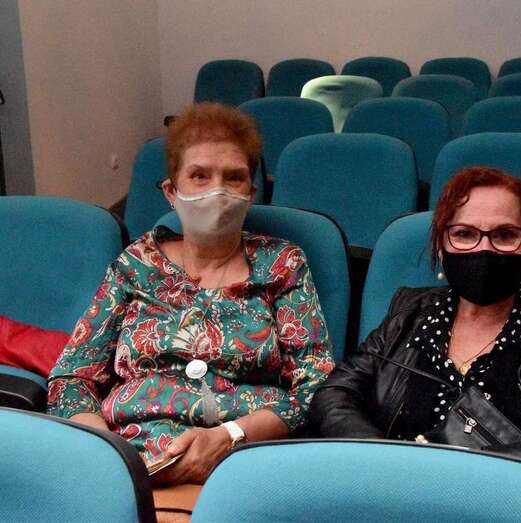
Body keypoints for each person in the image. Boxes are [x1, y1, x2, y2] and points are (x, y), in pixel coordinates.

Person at [47, 103, 334, 491]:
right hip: (127, 463)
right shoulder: (137, 263)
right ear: (171, 191)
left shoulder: (282, 264)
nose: (217, 190)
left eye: (234, 178)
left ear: (251, 194)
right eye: (199, 176)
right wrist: (106, 452)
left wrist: (232, 436)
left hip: (242, 462)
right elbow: (71, 377)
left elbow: (317, 384)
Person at [309, 166, 521, 475]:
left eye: (505, 235)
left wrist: (480, 466)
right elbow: (334, 394)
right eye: (465, 234)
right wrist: (384, 459)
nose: (484, 249)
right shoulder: (408, 311)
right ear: (441, 244)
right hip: (392, 492)